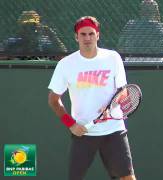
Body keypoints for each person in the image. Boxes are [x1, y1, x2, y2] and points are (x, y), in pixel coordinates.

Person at [48, 16, 136, 180]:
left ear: (98, 35)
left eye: (91, 34)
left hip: (113, 130)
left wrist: (112, 105)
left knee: (127, 178)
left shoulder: (113, 58)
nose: (87, 38)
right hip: (83, 132)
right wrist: (71, 124)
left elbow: (123, 91)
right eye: (83, 34)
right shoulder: (66, 64)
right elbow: (53, 99)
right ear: (76, 37)